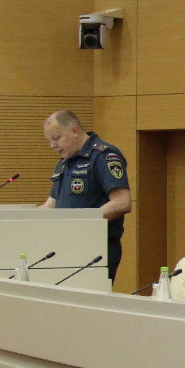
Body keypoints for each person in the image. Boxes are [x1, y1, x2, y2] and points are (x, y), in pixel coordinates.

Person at [39, 110, 130, 282]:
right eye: (49, 140)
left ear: (74, 131)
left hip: (95, 249)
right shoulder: (66, 161)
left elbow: (122, 203)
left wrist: (81, 221)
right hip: (66, 247)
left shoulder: (104, 156)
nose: (52, 145)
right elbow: (51, 205)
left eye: (56, 138)